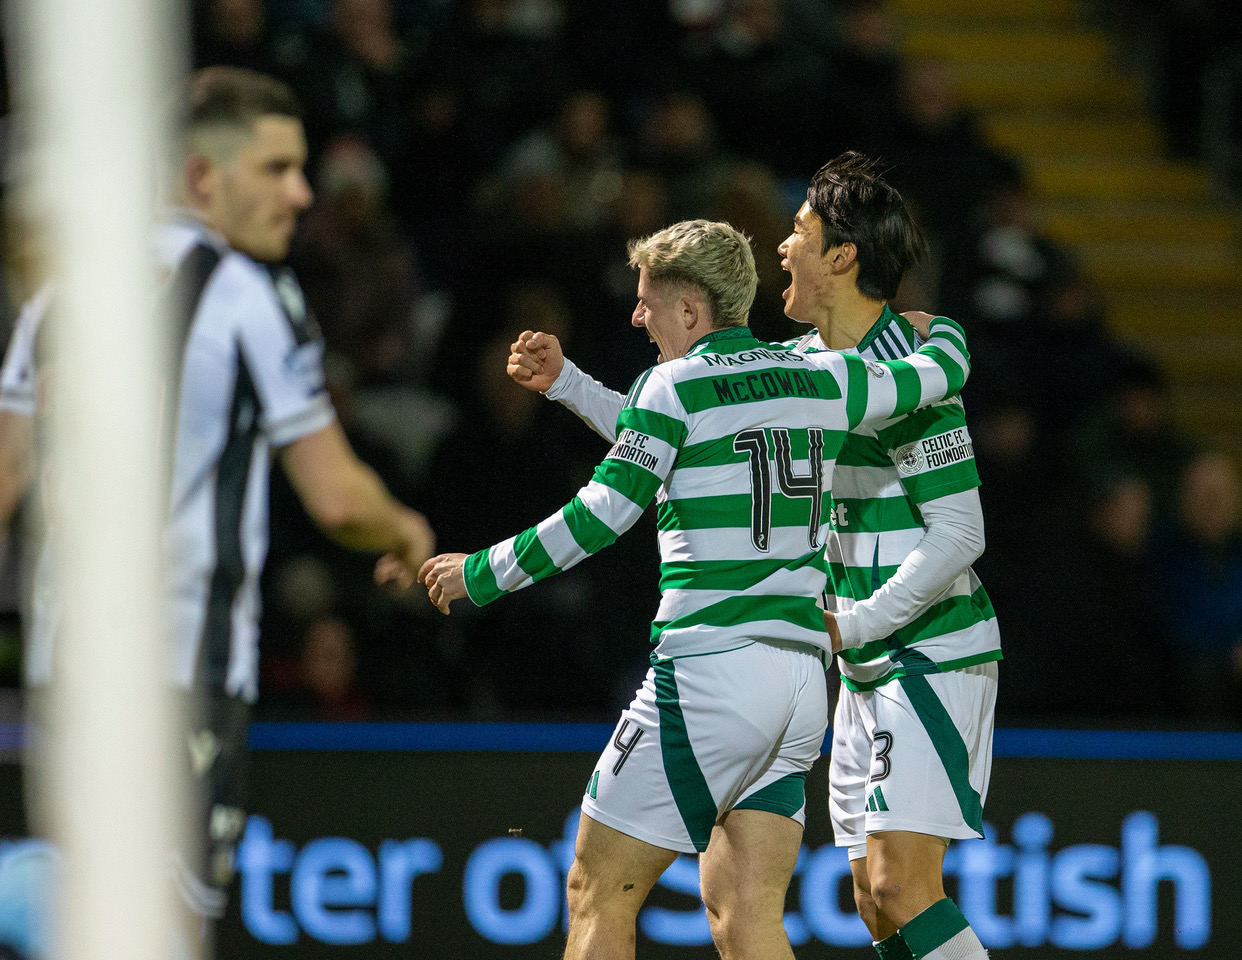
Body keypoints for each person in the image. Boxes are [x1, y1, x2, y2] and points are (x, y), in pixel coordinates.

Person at [402, 217, 973, 960]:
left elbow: (603, 512)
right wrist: (948, 334)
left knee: (597, 889)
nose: (637, 315)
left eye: (647, 301)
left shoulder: (676, 387)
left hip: (710, 672)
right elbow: (935, 375)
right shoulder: (820, 377)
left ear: (691, 310)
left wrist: (481, 571)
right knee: (747, 915)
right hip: (800, 687)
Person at [0, 66, 436, 957]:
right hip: (178, 669)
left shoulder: (57, 297)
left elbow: (4, 477)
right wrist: (407, 532)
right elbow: (337, 496)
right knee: (160, 928)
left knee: (86, 904)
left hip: (65, 667)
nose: (301, 194)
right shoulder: (247, 295)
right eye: (276, 169)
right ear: (203, 177)